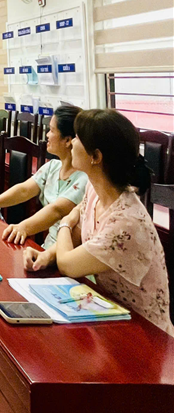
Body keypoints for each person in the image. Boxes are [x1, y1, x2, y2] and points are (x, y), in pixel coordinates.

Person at [23, 109, 172, 336]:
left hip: (145, 334)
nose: (72, 143)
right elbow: (78, 232)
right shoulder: (95, 190)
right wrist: (48, 255)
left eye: (78, 138)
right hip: (111, 315)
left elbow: (68, 264)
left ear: (96, 156)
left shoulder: (126, 222)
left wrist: (65, 222)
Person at [0, 106, 87, 246]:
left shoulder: (84, 179)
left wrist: (23, 227)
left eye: (51, 130)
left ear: (68, 140)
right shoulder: (52, 167)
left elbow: (56, 210)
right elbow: (24, 190)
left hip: (66, 249)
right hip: (49, 246)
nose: (47, 135)